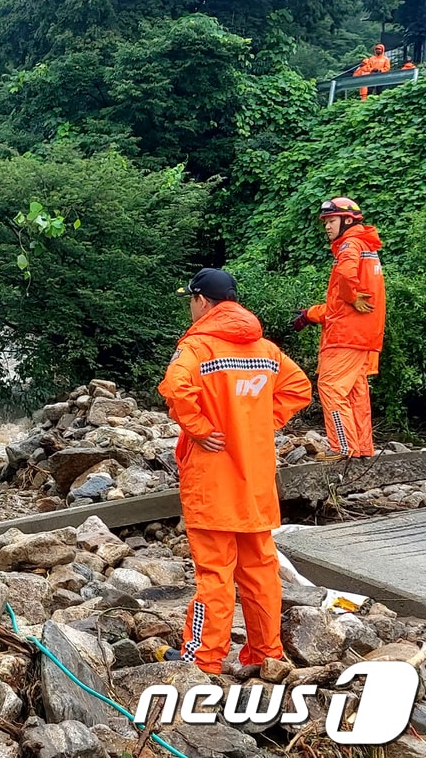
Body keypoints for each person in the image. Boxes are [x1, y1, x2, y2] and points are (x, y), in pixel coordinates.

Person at [158, 268, 312, 675]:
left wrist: (201, 428)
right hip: (256, 482)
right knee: (261, 569)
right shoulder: (264, 347)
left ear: (202, 301)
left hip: (213, 480)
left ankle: (204, 657)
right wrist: (262, 422)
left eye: (189, 300)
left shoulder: (197, 348)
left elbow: (175, 388)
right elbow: (299, 388)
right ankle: (267, 653)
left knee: (214, 572)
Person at [291, 197, 386, 460]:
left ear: (347, 220)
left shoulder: (350, 245)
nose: (327, 227)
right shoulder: (367, 246)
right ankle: (361, 448)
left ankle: (342, 447)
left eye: (331, 221)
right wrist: (312, 313)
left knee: (331, 387)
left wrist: (351, 294)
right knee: (355, 392)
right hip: (362, 335)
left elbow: (345, 279)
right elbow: (338, 306)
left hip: (345, 336)